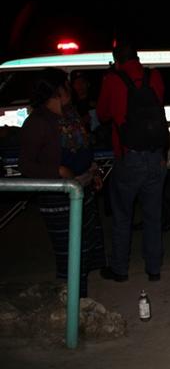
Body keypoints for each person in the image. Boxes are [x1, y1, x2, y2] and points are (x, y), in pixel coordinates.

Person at [19, 68, 106, 298]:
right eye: (66, 84)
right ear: (57, 90)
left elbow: (84, 148)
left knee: (84, 253)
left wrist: (93, 170)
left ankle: (81, 301)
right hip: (59, 199)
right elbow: (26, 165)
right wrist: (56, 170)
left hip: (82, 192)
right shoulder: (37, 122)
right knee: (70, 256)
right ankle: (71, 307)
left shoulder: (70, 114)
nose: (71, 88)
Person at [96, 41, 167, 282]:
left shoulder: (113, 80)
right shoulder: (154, 76)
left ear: (117, 60)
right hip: (156, 156)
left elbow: (103, 114)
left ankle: (120, 269)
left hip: (128, 158)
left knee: (122, 216)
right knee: (153, 216)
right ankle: (154, 269)